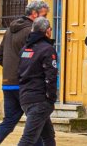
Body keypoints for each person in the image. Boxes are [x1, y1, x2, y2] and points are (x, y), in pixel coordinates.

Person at [0, 0, 50, 146]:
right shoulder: (32, 32)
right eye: (44, 15)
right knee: (36, 123)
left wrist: (11, 71)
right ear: (34, 14)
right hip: (26, 86)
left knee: (9, 122)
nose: (46, 20)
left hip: (8, 84)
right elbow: (35, 57)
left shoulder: (9, 30)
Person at [17, 17, 59, 146]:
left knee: (48, 136)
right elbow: (51, 76)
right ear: (47, 31)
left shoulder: (25, 49)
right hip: (39, 100)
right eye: (50, 29)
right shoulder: (47, 49)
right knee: (28, 139)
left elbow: (19, 72)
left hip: (26, 98)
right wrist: (51, 98)